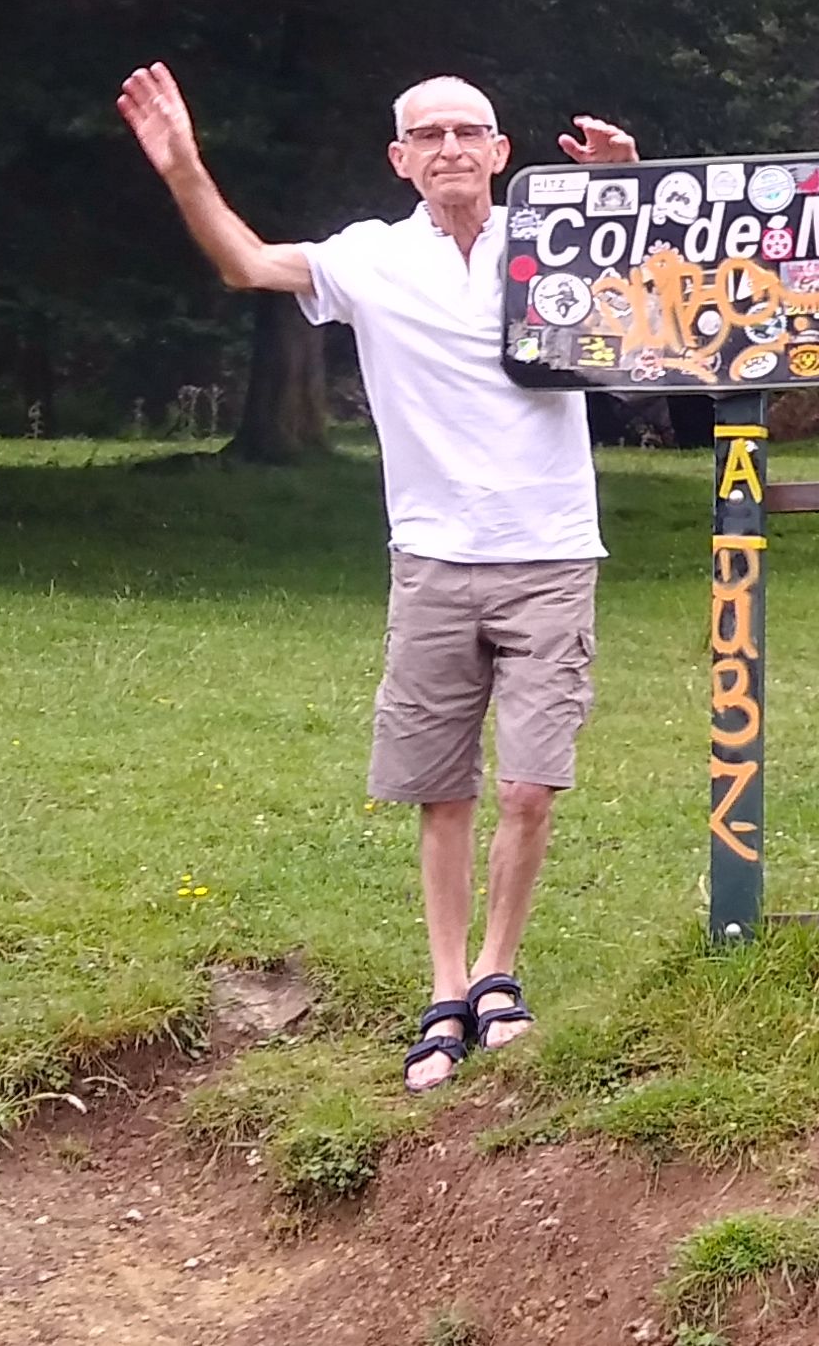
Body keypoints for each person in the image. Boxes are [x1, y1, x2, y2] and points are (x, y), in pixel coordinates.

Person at [115, 62, 640, 1092]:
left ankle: (499, 976)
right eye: (426, 133)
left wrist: (626, 184)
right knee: (440, 790)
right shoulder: (368, 259)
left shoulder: (555, 239)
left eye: (468, 131)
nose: (449, 146)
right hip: (434, 559)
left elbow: (670, 289)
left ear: (499, 151)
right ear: (401, 160)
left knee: (530, 785)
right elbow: (245, 264)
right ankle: (447, 992)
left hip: (551, 554)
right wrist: (182, 169)